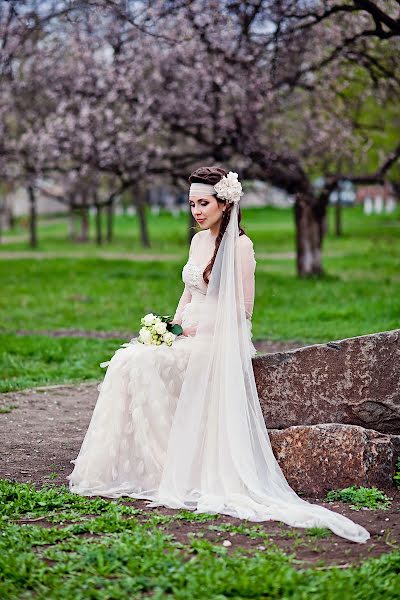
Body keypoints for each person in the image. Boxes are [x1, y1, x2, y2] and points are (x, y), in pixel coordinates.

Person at [68, 166, 370, 544]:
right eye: (192, 203)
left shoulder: (241, 247)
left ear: (225, 203)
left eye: (204, 203)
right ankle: (154, 464)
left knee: (142, 365)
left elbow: (243, 310)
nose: (196, 210)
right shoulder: (197, 242)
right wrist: (168, 329)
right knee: (131, 358)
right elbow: (188, 291)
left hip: (218, 341)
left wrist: (199, 331)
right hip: (188, 335)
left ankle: (174, 467)